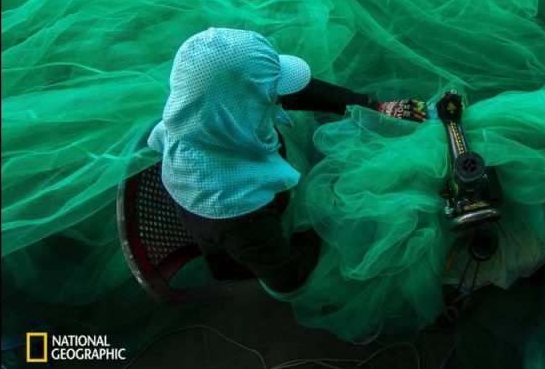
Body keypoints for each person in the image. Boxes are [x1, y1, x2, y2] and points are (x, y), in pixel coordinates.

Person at [147, 28, 426, 299]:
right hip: (262, 253)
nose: (278, 97)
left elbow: (289, 90)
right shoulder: (235, 208)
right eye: (272, 94)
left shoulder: (203, 118)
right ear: (246, 105)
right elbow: (290, 279)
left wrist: (377, 107)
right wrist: (325, 205)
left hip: (264, 219)